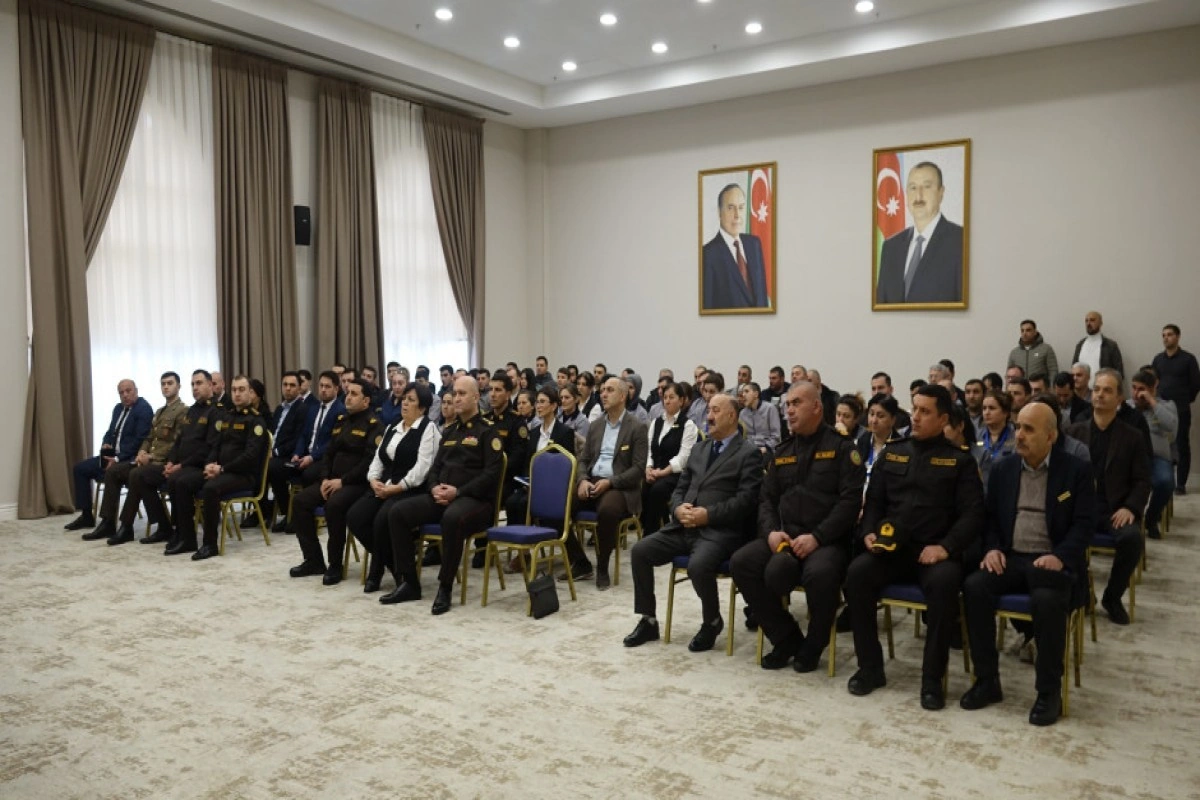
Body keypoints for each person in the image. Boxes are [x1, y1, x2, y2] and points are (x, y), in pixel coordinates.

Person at [843, 385, 984, 710]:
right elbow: (874, 501)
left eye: (924, 411)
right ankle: (870, 667)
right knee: (857, 574)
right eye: (914, 409)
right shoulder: (894, 452)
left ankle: (932, 679)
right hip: (892, 549)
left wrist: (946, 548)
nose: (915, 417)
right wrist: (868, 532)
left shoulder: (959, 461)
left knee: (945, 585)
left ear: (943, 419)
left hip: (934, 553)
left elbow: (973, 515)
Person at [960, 402, 1095, 726]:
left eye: (1028, 429)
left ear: (1051, 436)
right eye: (1018, 427)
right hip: (1011, 557)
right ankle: (987, 680)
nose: (1019, 435)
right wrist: (992, 549)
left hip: (1051, 561)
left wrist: (1060, 556)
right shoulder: (1004, 469)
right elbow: (990, 520)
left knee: (1047, 601)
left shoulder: (1075, 471)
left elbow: (1084, 525)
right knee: (974, 587)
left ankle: (1048, 691)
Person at [729, 381, 865, 672]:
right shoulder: (783, 451)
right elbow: (766, 499)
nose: (789, 410)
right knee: (742, 562)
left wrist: (817, 537)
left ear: (816, 407)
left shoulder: (842, 448)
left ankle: (814, 645)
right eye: (787, 405)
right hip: (786, 537)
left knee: (821, 574)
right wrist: (770, 532)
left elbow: (850, 503)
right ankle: (786, 638)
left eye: (796, 403)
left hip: (827, 541)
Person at [624, 394, 763, 652]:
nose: (708, 416)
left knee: (697, 566)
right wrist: (678, 509)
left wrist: (708, 514)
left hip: (718, 531)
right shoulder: (700, 449)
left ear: (732, 416)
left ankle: (712, 621)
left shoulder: (748, 453)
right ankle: (648, 620)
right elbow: (680, 487)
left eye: (715, 411)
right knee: (640, 551)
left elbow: (746, 501)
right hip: (683, 526)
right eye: (708, 410)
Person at [382, 376, 504, 613]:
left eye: (462, 394)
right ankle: (409, 582)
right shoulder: (449, 432)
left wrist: (459, 491)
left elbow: (491, 475)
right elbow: (434, 469)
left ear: (476, 397)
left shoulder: (488, 432)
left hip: (475, 501)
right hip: (442, 496)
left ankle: (445, 587)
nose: (456, 398)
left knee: (451, 518)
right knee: (398, 512)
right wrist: (433, 488)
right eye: (454, 393)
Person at [1066, 368, 1150, 625]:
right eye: (1097, 389)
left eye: (1107, 391)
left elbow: (1142, 480)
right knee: (1059, 533)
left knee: (1132, 539)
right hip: (1079, 507)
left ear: (1119, 398)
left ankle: (1112, 597)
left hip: (1114, 509)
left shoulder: (1132, 436)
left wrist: (1131, 508)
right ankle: (1083, 593)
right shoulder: (1074, 432)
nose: (1100, 395)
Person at [346, 383, 441, 594]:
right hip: (385, 486)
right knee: (355, 516)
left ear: (422, 408)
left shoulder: (429, 429)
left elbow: (422, 468)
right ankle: (390, 564)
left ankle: (378, 571)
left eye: (411, 400)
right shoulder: (393, 427)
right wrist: (373, 480)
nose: (405, 403)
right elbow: (378, 459)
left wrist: (398, 488)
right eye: (404, 399)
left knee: (381, 519)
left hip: (411, 490)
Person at [288, 378, 383, 586]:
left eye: (354, 394)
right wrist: (324, 478)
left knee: (334, 505)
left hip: (356, 485)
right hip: (332, 481)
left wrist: (342, 481)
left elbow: (368, 463)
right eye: (348, 393)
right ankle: (313, 560)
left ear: (366, 401)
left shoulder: (374, 425)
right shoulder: (342, 420)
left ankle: (335, 565)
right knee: (300, 501)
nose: (348, 397)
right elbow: (328, 455)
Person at [166, 375, 268, 560]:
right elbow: (216, 446)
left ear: (250, 393)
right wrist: (210, 464)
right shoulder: (227, 416)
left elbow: (250, 458)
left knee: (210, 488)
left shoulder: (256, 421)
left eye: (242, 390)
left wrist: (222, 469)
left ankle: (210, 544)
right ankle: (186, 538)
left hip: (243, 475)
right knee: (182, 482)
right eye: (234, 390)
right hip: (221, 470)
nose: (237, 394)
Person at [562, 376, 649, 590]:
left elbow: (638, 469)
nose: (604, 394)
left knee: (608, 511)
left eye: (610, 390)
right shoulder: (596, 425)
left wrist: (610, 482)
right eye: (602, 390)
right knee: (555, 508)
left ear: (623, 396)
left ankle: (602, 566)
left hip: (619, 486)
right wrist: (582, 480)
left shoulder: (637, 427)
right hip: (592, 481)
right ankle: (580, 561)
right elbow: (583, 459)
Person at [83, 372, 188, 545]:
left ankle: (128, 526)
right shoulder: (160, 412)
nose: (166, 387)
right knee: (113, 471)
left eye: (170, 383)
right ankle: (108, 522)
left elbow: (176, 443)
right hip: (148, 461)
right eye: (163, 384)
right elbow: (148, 438)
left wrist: (151, 456)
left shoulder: (183, 411)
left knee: (137, 476)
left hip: (164, 463)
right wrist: (142, 452)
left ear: (179, 386)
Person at [128, 370, 220, 547]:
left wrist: (181, 465)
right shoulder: (192, 411)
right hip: (181, 464)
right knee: (143, 476)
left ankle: (187, 538)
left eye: (199, 383)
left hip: (200, 466)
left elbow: (208, 448)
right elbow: (179, 442)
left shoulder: (216, 411)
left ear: (210, 385)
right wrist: (171, 461)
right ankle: (172, 530)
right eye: (193, 384)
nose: (195, 388)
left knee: (179, 480)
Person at [502, 385, 576, 573]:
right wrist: (525, 481)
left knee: (523, 504)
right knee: (512, 501)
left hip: (553, 489)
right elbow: (528, 463)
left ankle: (525, 553)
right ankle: (520, 549)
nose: (538, 406)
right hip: (532, 485)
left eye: (543, 402)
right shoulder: (534, 432)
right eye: (537, 402)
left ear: (554, 406)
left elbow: (567, 467)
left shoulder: (564, 432)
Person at [65, 379, 154, 531]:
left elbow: (139, 441)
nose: (125, 395)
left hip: (128, 459)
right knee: (80, 469)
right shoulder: (118, 409)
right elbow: (110, 432)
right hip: (112, 456)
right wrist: (105, 443)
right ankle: (86, 516)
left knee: (111, 473)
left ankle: (108, 522)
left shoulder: (143, 409)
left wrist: (117, 459)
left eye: (128, 391)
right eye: (121, 392)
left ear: (136, 391)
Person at [875, 161, 965, 304]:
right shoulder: (891, 247)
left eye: (927, 186)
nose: (918, 195)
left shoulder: (961, 241)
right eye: (913, 188)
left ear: (941, 193)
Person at [641, 382, 699, 535]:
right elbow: (650, 449)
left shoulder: (688, 425)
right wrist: (648, 468)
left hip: (676, 475)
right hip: (655, 471)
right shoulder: (656, 422)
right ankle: (649, 527)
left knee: (657, 490)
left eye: (671, 397)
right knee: (643, 487)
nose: (667, 401)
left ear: (681, 400)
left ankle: (650, 534)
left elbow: (684, 457)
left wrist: (663, 472)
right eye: (665, 397)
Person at [702, 183, 769, 310]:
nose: (737, 215)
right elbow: (707, 309)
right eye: (731, 208)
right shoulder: (708, 254)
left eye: (741, 207)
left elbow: (762, 298)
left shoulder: (754, 244)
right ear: (719, 212)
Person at [1152, 324, 1200, 493]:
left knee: (1181, 445)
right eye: (1163, 335)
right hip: (1160, 409)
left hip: (1181, 409)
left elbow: (1196, 384)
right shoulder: (1158, 359)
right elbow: (1152, 382)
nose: (1166, 338)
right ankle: (1164, 481)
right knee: (1161, 445)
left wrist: (1186, 399)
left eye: (1170, 334)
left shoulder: (1188, 359)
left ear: (1178, 337)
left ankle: (1180, 484)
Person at [1130, 369, 1177, 539]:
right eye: (1134, 388)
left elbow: (1171, 427)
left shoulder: (1166, 406)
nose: (1136, 393)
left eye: (1141, 389)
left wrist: (1151, 402)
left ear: (1152, 389)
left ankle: (1151, 518)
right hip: (1131, 458)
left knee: (1166, 482)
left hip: (1157, 458)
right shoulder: (1127, 406)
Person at [857, 393, 901, 493]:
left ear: (893, 420)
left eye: (880, 416)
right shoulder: (860, 442)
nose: (874, 420)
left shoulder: (900, 447)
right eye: (871, 414)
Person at [976, 390, 1016, 492]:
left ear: (1005, 412)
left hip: (1007, 489)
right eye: (984, 408)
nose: (987, 412)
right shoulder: (977, 436)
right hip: (981, 491)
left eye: (992, 408)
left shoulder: (1016, 436)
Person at [1071, 310, 1124, 381]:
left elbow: (1119, 373)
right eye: (1086, 321)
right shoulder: (1080, 345)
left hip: (1104, 386)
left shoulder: (1110, 346)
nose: (1088, 323)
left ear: (1100, 323)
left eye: (1092, 320)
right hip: (1083, 388)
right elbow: (1073, 369)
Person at [740, 382, 781, 455]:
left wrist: (765, 448)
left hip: (767, 450)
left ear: (756, 394)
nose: (743, 395)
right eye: (743, 392)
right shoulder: (742, 413)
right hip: (749, 450)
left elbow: (776, 437)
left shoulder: (770, 409)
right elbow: (742, 437)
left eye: (746, 391)